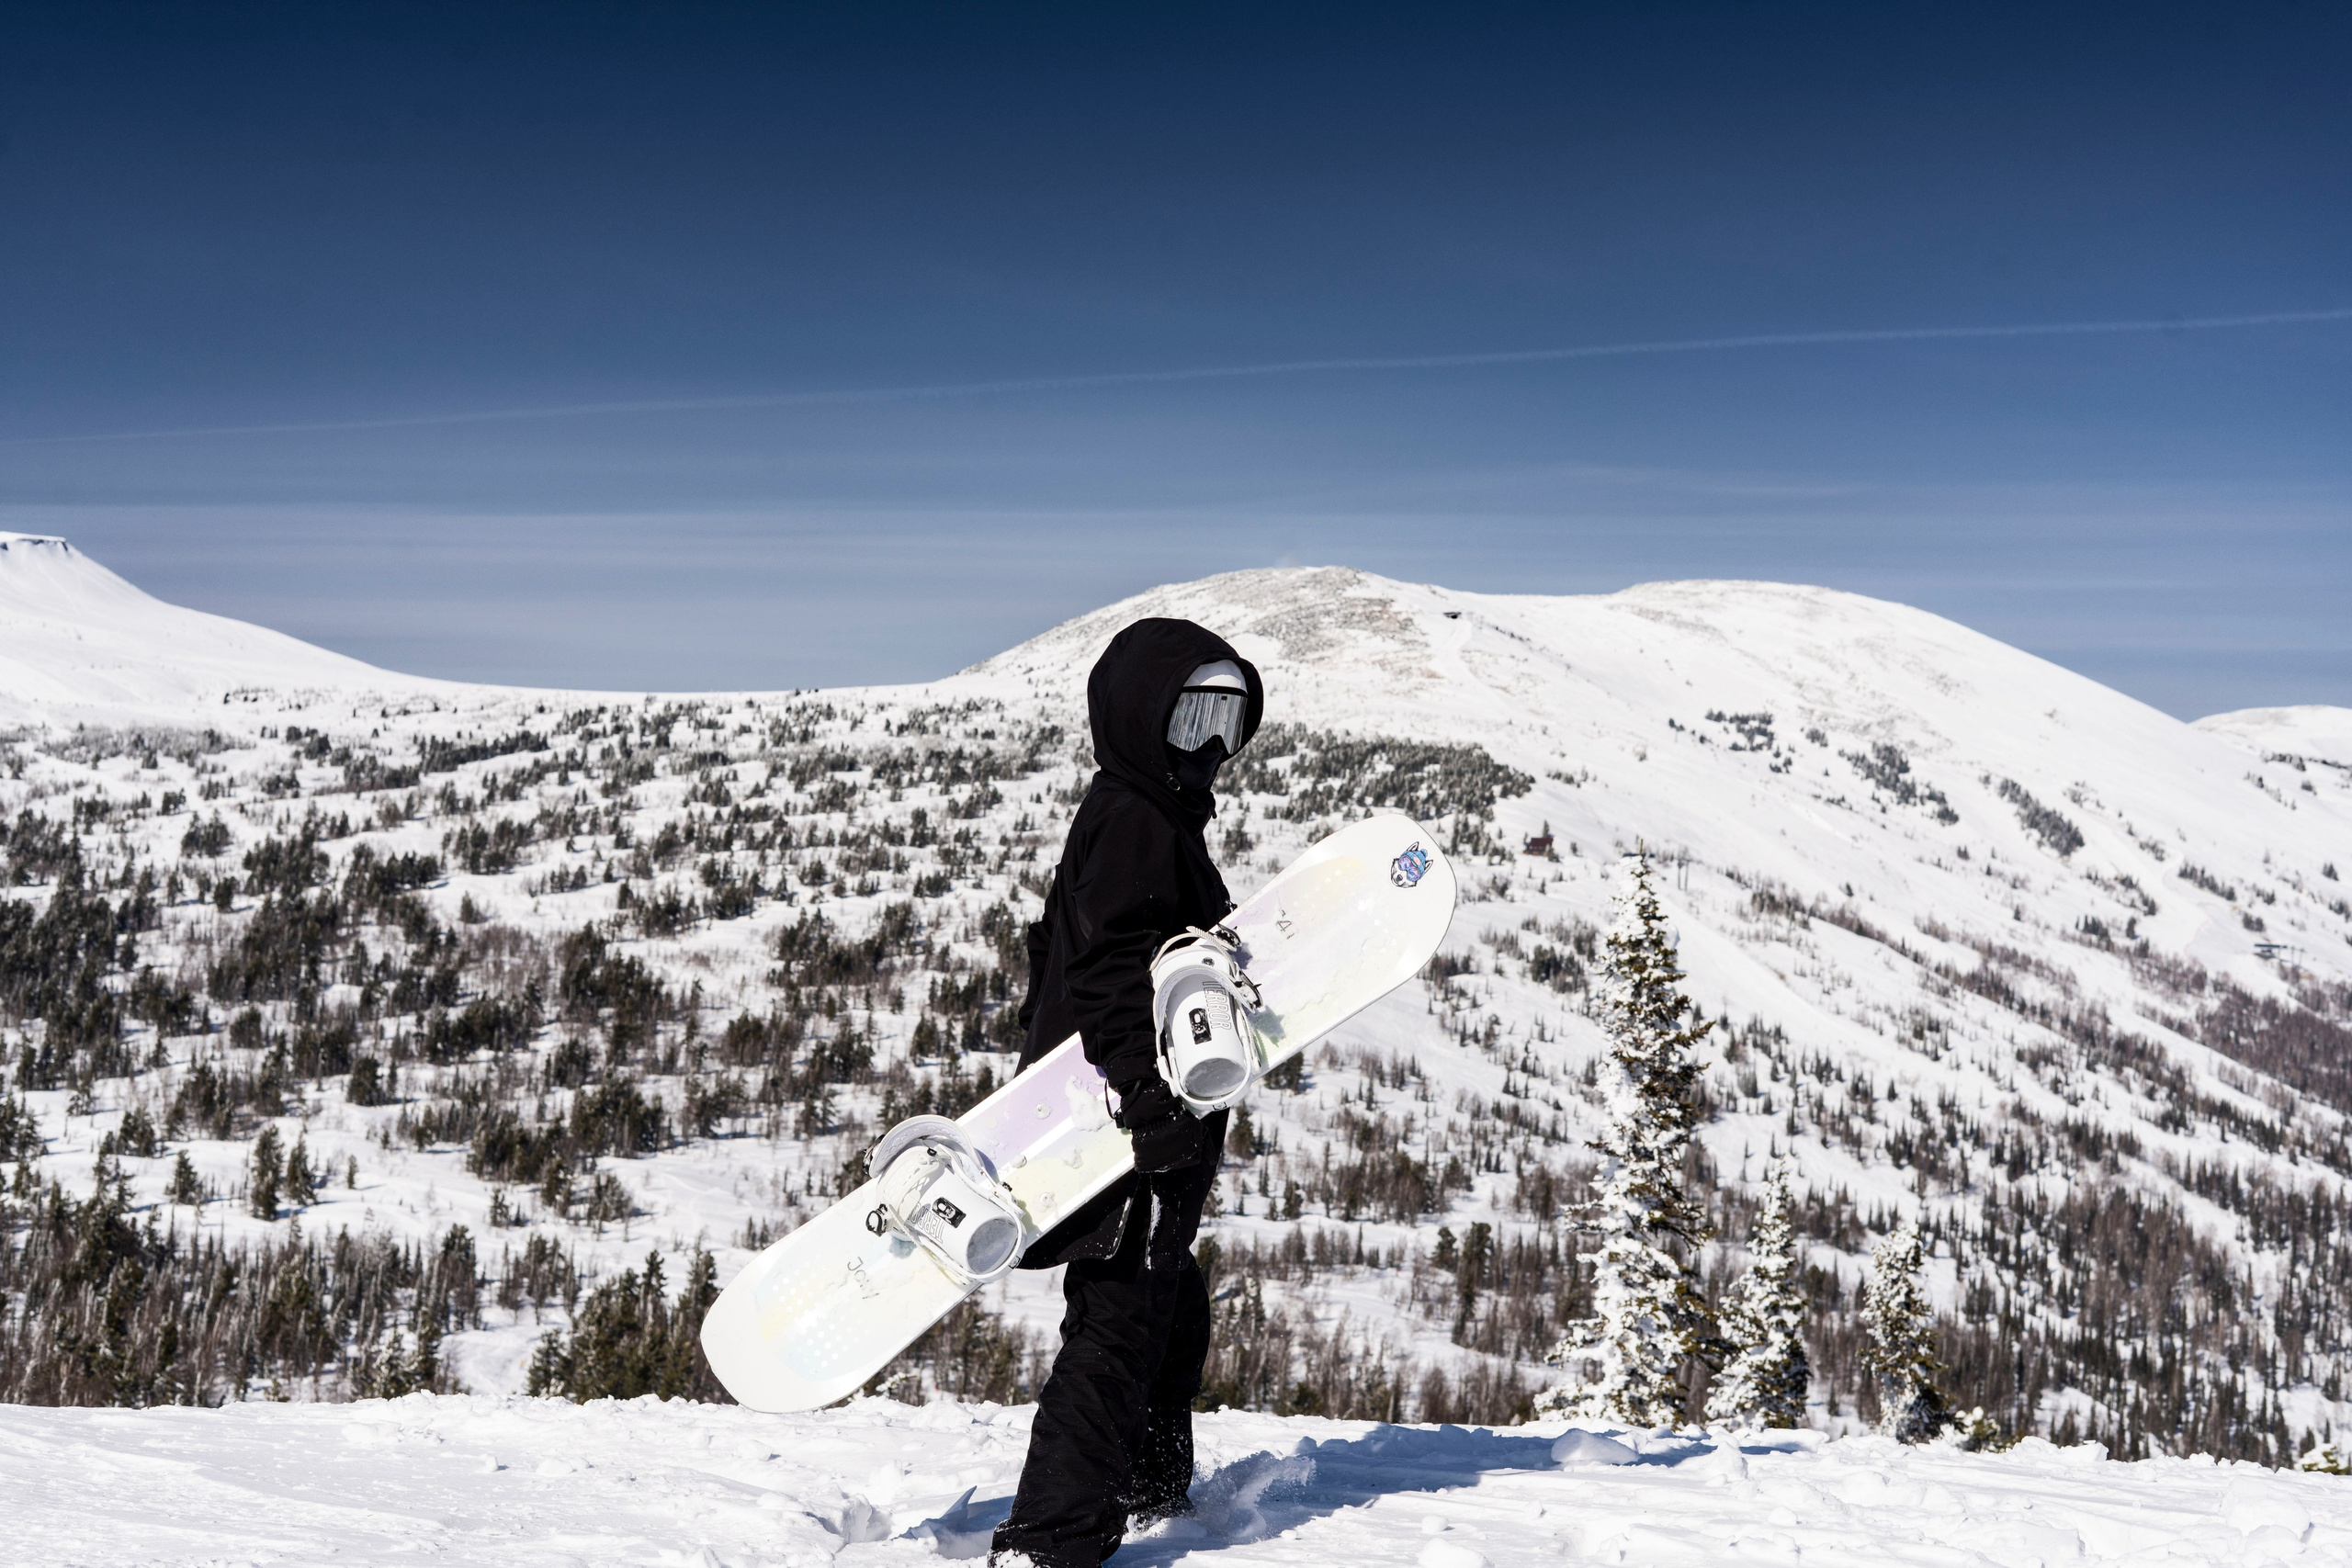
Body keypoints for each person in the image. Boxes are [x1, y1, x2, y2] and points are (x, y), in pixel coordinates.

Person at [989, 617, 1264, 1568]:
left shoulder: (1148, 814)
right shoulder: (1136, 821)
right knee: (1118, 1308)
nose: (1210, 748)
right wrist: (1149, 1103)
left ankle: (1149, 1481)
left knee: (1163, 1292)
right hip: (1125, 1118)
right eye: (1189, 720)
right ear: (1139, 720)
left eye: (1225, 722)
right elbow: (1107, 974)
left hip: (1139, 1110)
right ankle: (1055, 1536)